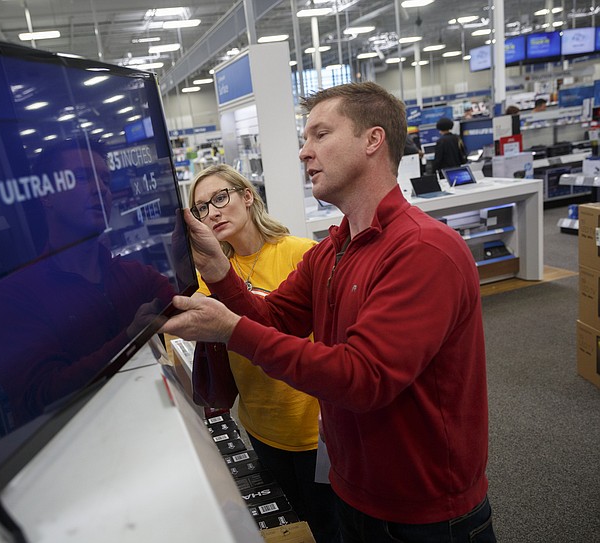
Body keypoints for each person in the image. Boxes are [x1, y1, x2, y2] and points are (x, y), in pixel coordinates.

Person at [161, 81, 496, 542]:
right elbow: (275, 319)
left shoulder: (424, 250)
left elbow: (364, 378)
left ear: (372, 140)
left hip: (427, 515)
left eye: (320, 135)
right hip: (352, 489)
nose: (303, 151)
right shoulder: (333, 251)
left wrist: (231, 329)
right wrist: (220, 273)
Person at [187, 163, 338, 542]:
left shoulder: (302, 254)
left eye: (220, 198)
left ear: (247, 196)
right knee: (292, 527)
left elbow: (334, 339)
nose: (213, 212)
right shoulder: (212, 273)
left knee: (331, 525)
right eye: (202, 208)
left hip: (313, 424)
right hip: (260, 423)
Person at [0, 142, 176, 425]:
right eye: (84, 177)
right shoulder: (12, 299)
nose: (101, 189)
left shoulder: (135, 276)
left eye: (105, 180)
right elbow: (41, 397)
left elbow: (185, 312)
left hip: (153, 424)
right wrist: (130, 339)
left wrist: (190, 268)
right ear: (47, 194)